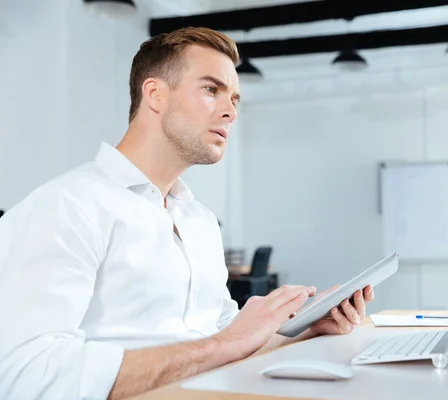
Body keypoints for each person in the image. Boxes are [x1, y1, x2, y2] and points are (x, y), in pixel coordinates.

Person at [0, 27, 374, 400]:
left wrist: (305, 328)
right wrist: (225, 344)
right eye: (211, 89)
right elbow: (26, 374)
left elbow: (222, 336)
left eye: (235, 98)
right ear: (155, 94)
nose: (229, 111)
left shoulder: (200, 221)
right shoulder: (66, 207)